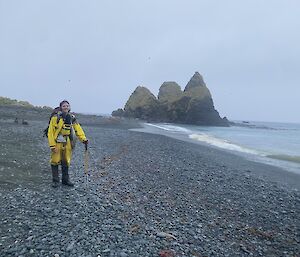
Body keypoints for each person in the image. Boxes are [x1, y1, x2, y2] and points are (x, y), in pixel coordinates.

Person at [47, 100, 88, 187]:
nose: (66, 107)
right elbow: (51, 132)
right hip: (57, 142)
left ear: (69, 107)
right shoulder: (55, 118)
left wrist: (83, 139)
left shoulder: (72, 118)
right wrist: (52, 145)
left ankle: (65, 180)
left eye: (67, 106)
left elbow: (78, 129)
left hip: (68, 142)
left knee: (66, 161)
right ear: (61, 107)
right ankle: (55, 181)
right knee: (55, 160)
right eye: (64, 106)